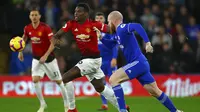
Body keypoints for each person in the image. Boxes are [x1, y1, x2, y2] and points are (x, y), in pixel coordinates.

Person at [42, 3, 124, 112]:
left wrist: (120, 26)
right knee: (100, 87)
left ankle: (72, 109)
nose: (76, 13)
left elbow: (111, 30)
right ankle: (122, 108)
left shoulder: (95, 24)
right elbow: (56, 36)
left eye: (79, 11)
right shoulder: (71, 24)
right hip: (87, 60)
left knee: (65, 78)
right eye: (75, 11)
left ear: (86, 13)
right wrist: (56, 41)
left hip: (92, 60)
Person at [98, 11, 183, 112]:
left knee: (113, 79)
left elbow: (137, 26)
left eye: (108, 22)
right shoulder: (118, 34)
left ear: (113, 21)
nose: (108, 24)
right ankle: (176, 111)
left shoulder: (121, 27)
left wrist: (147, 42)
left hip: (137, 62)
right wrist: (101, 38)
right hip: (141, 64)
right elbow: (111, 45)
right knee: (155, 91)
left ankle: (122, 110)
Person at [18, 8, 77, 112]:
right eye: (32, 15)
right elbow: (24, 38)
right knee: (35, 80)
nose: (34, 17)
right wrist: (20, 51)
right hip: (36, 59)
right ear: (30, 17)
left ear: (39, 16)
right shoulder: (27, 28)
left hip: (49, 60)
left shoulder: (45, 28)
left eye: (36, 15)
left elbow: (53, 43)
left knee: (59, 81)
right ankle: (42, 104)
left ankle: (67, 104)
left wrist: (45, 56)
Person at [95, 12, 129, 111]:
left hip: (110, 61)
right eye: (97, 18)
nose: (99, 20)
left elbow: (115, 45)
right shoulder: (93, 32)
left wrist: (114, 58)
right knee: (101, 84)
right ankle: (104, 104)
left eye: (101, 18)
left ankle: (122, 104)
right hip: (99, 62)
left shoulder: (109, 30)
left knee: (115, 82)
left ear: (104, 20)